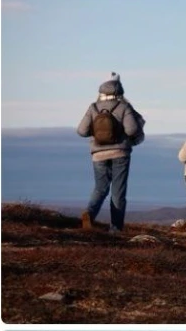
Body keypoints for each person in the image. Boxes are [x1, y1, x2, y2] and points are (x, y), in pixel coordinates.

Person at [77, 72, 145, 234]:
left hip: (98, 155)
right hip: (119, 153)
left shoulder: (93, 107)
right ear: (119, 90)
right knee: (118, 192)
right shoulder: (124, 107)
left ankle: (90, 213)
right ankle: (115, 229)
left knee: (100, 188)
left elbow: (81, 131)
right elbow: (132, 129)